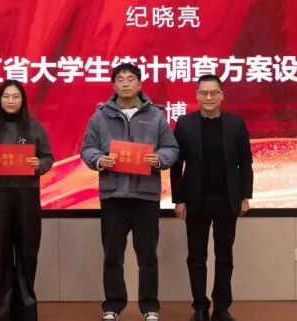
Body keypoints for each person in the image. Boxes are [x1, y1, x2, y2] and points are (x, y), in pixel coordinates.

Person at [80, 63, 179, 321]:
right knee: (113, 254)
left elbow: (171, 149)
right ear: (113, 85)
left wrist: (158, 159)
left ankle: (150, 307)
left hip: (145, 196)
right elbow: (87, 149)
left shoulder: (155, 115)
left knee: (147, 255)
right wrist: (99, 159)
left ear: (139, 84)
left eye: (130, 79)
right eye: (120, 79)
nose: (125, 83)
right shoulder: (100, 117)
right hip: (113, 195)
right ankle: (113, 306)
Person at [171, 74, 254, 321]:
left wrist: (245, 196)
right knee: (196, 256)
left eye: (213, 93)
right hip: (195, 200)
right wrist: (179, 200)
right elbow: (176, 166)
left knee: (224, 255)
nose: (209, 97)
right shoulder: (185, 124)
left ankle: (221, 308)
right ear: (197, 95)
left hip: (227, 200)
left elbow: (245, 163)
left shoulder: (235, 123)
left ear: (221, 95)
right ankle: (199, 307)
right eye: (204, 93)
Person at [0, 80, 54, 321]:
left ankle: (27, 313)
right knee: (0, 257)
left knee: (27, 255)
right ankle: (3, 313)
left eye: (15, 96)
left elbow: (48, 158)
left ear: (23, 100)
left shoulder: (35, 127)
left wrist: (39, 164)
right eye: (6, 96)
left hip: (27, 197)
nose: (11, 101)